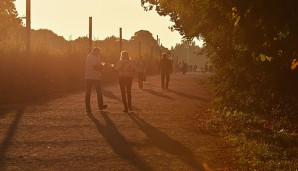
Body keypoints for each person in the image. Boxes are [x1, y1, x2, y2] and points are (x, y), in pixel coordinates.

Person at [84, 47, 107, 112]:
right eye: (98, 52)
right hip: (95, 77)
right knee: (98, 92)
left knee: (88, 92)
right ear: (96, 51)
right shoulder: (94, 58)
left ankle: (88, 107)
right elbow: (96, 67)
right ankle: (100, 106)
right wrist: (103, 66)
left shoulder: (88, 56)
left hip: (88, 76)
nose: (99, 54)